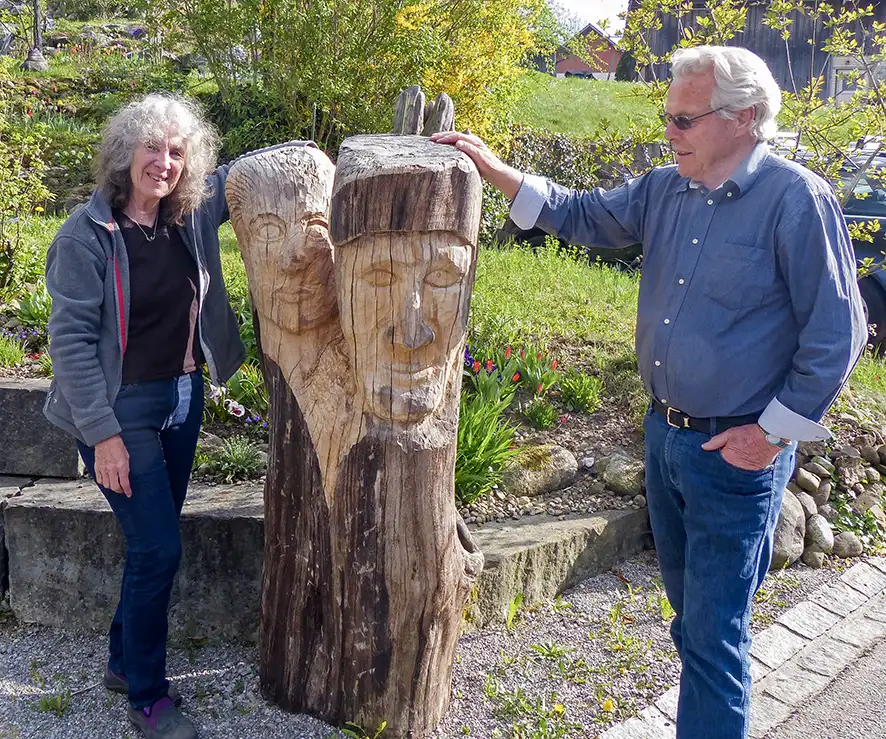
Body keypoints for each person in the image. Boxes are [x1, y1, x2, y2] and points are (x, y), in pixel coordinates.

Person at [433, 45, 867, 738]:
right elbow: (578, 214)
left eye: (685, 119)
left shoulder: (796, 200)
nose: (669, 130)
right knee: (693, 621)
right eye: (667, 116)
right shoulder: (666, 188)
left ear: (745, 119)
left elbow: (838, 335)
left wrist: (772, 432)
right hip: (665, 436)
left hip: (736, 451)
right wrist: (494, 169)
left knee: (712, 633)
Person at [44, 93, 246, 739]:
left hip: (183, 398)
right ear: (125, 151)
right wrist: (101, 435)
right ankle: (149, 697)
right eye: (152, 147)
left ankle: (122, 660)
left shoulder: (191, 215)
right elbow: (71, 341)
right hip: (118, 408)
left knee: (149, 546)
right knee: (159, 547)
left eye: (177, 151)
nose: (164, 161)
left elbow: (256, 167)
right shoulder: (86, 234)